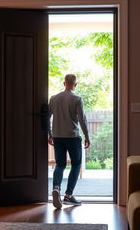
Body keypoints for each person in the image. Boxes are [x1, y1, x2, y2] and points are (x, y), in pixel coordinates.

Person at [48, 74, 90, 209]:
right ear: (75, 85)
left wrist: (50, 134)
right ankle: (68, 196)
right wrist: (87, 136)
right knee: (76, 165)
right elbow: (82, 120)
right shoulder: (77, 99)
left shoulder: (54, 99)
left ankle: (56, 187)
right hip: (72, 137)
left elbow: (47, 117)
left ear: (64, 83)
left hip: (58, 137)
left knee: (60, 165)